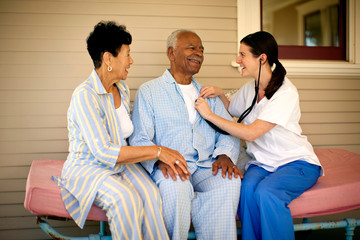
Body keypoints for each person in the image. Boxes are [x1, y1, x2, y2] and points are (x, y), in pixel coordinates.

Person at [53, 21, 188, 240]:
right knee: (125, 199)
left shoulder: (122, 89)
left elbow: (129, 138)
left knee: (152, 194)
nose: (131, 60)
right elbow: (104, 152)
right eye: (127, 54)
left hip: (122, 163)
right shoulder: (85, 95)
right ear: (108, 58)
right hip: (91, 166)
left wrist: (158, 155)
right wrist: (158, 151)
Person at [194, 31, 323, 240]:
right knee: (246, 192)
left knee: (267, 193)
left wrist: (208, 115)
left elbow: (252, 133)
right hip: (263, 163)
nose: (238, 60)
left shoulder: (285, 93)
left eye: (243, 55)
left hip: (296, 163)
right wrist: (219, 92)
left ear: (262, 58)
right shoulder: (250, 89)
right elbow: (233, 109)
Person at [129, 29, 241, 240]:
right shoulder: (150, 91)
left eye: (201, 49)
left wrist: (225, 155)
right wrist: (159, 158)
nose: (198, 53)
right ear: (171, 53)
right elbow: (139, 138)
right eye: (191, 47)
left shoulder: (208, 94)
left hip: (206, 166)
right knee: (176, 187)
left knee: (229, 181)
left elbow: (227, 131)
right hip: (171, 166)